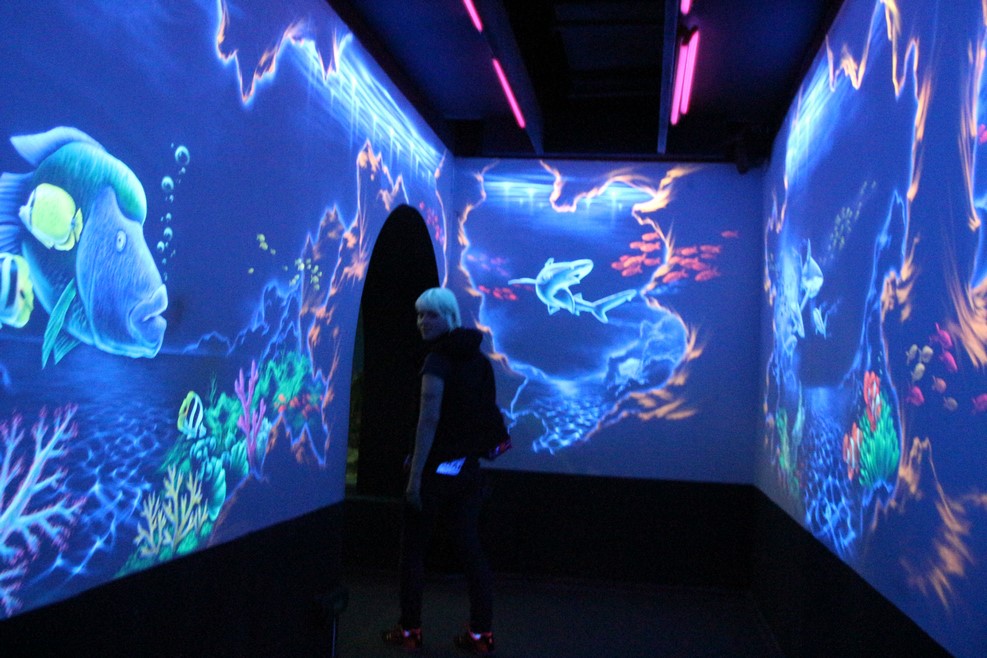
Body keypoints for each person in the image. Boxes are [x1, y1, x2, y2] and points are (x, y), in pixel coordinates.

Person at [381, 287, 496, 655]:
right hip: (467, 471)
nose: (422, 322)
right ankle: (481, 634)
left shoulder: (436, 361)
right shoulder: (480, 362)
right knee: (471, 551)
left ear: (450, 317)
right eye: (419, 314)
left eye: (431, 314)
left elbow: (428, 419)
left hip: (434, 473)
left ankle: (409, 630)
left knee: (413, 553)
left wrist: (415, 477)